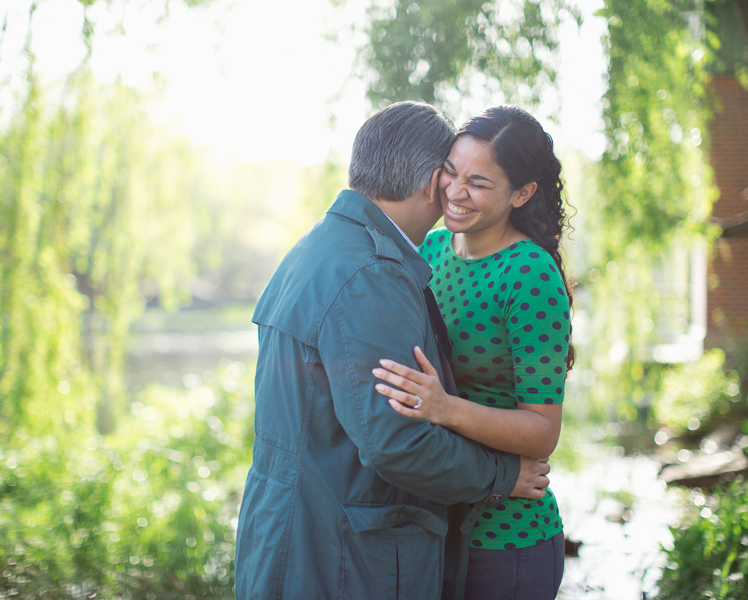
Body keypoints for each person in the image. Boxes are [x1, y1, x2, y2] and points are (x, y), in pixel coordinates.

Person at [233, 101, 552, 600]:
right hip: (336, 555)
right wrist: (501, 473)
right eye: (450, 173)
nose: (456, 191)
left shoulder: (319, 245)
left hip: (292, 534)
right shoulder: (372, 275)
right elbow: (398, 442)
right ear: (430, 183)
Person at [373, 105, 573, 600]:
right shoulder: (430, 250)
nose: (455, 192)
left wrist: (445, 408)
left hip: (505, 542)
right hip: (434, 527)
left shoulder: (530, 275)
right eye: (451, 171)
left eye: (479, 183)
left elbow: (543, 432)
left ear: (522, 193)